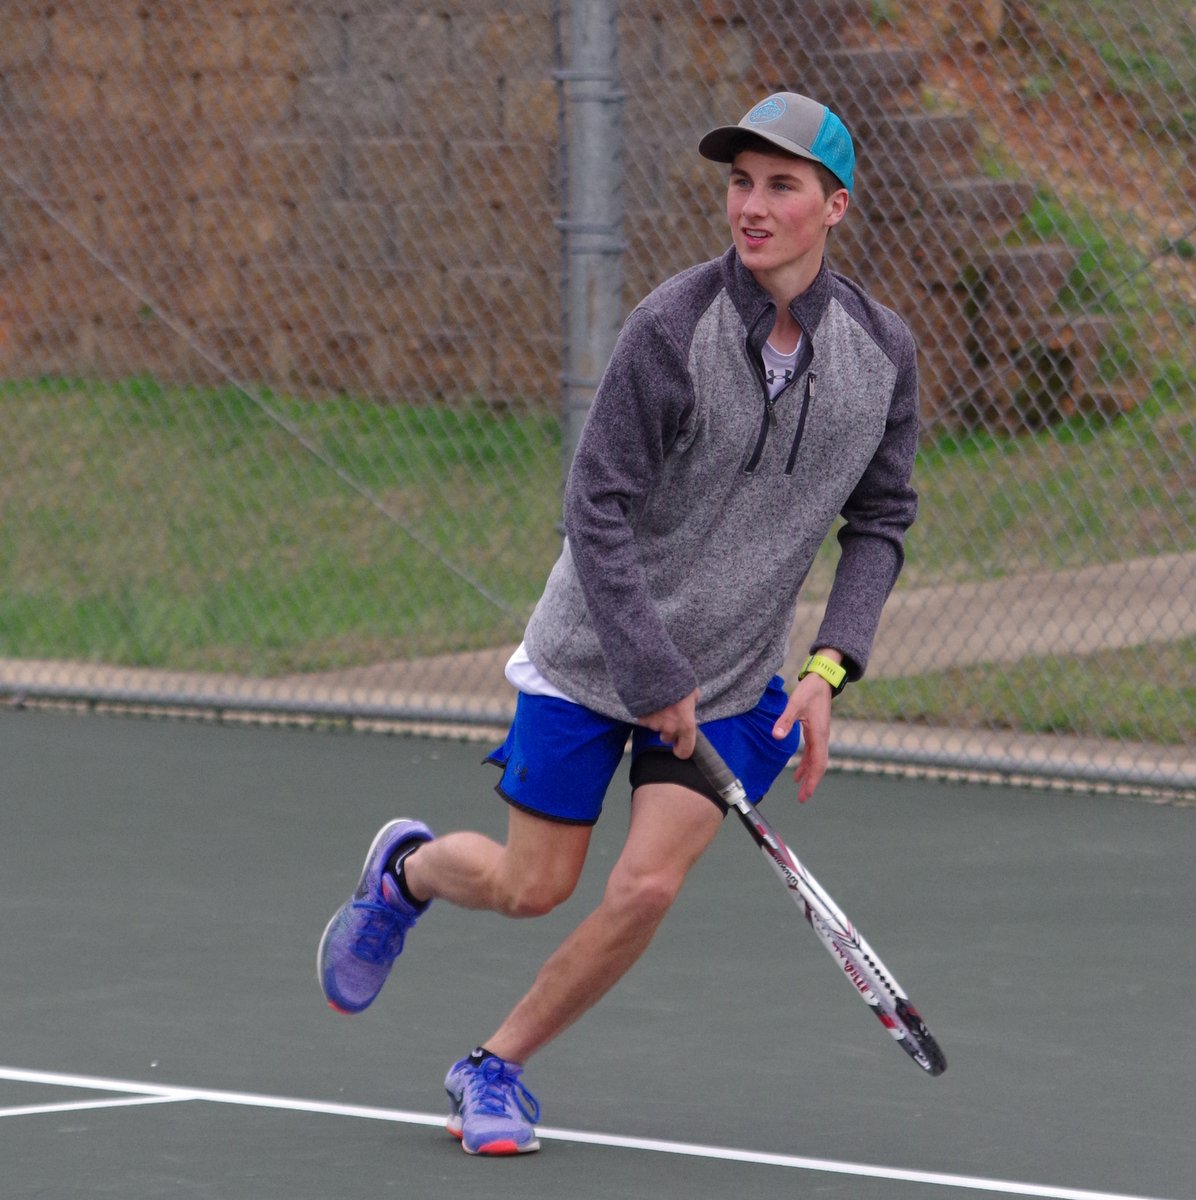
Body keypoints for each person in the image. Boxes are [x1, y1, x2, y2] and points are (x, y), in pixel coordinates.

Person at [318, 90, 919, 1156]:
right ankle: (407, 871)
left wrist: (830, 666)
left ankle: (492, 1067)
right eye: (740, 182)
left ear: (835, 206)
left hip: (731, 680)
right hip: (593, 654)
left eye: (781, 185)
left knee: (642, 889)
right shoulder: (672, 328)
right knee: (532, 887)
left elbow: (880, 520)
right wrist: (649, 672)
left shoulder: (880, 355)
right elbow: (592, 509)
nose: (752, 205)